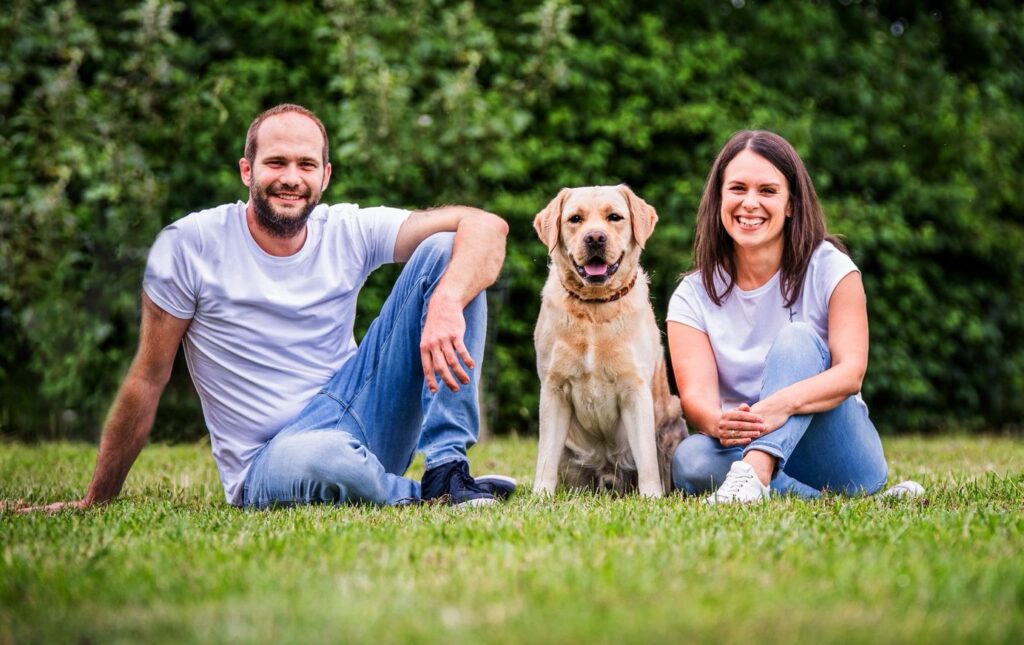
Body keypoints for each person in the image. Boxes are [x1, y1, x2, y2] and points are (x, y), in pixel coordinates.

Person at [25, 103, 516, 511]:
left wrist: (446, 302)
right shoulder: (188, 246)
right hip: (270, 461)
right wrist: (96, 498)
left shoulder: (344, 228)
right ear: (247, 171)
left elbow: (486, 228)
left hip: (362, 414)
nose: (290, 178)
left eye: (305, 165)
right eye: (275, 163)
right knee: (318, 457)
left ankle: (448, 472)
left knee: (448, 250)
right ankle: (422, 498)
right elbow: (147, 378)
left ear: (324, 176)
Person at [667, 130, 923, 503]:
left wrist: (779, 405)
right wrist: (720, 422)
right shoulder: (691, 295)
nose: (749, 203)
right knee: (690, 460)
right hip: (744, 441)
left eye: (767, 191)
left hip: (837, 452)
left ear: (791, 203)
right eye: (737, 188)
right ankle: (825, 499)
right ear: (719, 198)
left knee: (797, 338)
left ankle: (755, 474)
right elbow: (697, 400)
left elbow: (851, 374)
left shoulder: (832, 269)